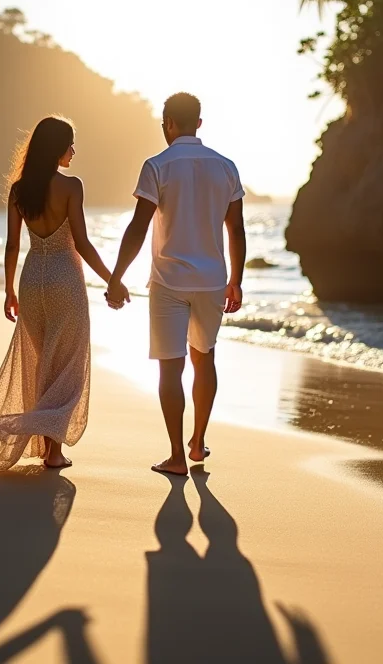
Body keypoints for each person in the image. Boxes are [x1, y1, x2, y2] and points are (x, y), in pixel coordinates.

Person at [0, 116, 125, 472]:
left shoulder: (19, 191)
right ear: (57, 148)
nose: (74, 150)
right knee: (66, 368)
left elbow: (12, 245)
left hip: (30, 280)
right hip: (65, 279)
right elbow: (82, 243)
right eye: (71, 143)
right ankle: (53, 452)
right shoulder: (71, 186)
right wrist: (112, 280)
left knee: (43, 364)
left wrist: (9, 290)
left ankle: (43, 446)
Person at [106, 93, 246, 476]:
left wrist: (117, 276)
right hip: (212, 281)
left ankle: (176, 457)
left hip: (169, 281)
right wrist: (236, 280)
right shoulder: (226, 167)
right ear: (198, 123)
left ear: (167, 122)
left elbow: (138, 226)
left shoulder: (157, 166)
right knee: (205, 359)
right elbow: (236, 229)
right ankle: (198, 441)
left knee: (171, 369)